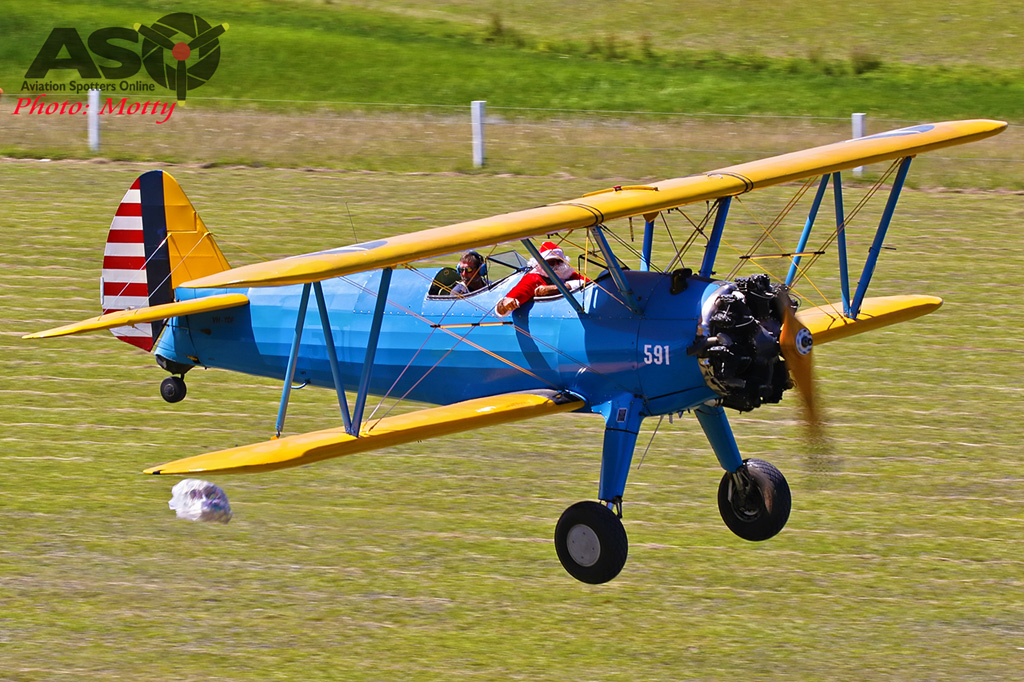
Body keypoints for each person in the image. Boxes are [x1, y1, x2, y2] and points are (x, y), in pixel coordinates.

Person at [495, 241, 587, 316]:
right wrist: (505, 304)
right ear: (541, 263)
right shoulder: (533, 279)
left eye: (559, 261)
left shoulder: (568, 274)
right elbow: (503, 308)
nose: (556, 265)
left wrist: (562, 287)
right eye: (551, 262)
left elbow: (590, 283)